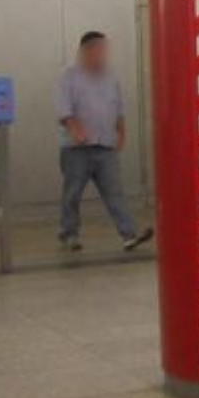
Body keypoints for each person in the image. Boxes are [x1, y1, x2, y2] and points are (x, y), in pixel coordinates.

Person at [54, 31, 154, 253]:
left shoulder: (111, 78)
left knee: (114, 192)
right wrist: (75, 129)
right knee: (72, 193)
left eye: (105, 49)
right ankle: (69, 233)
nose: (103, 54)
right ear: (86, 51)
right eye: (99, 49)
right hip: (76, 149)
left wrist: (121, 133)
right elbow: (63, 109)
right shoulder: (68, 76)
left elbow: (119, 108)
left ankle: (129, 234)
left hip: (105, 146)